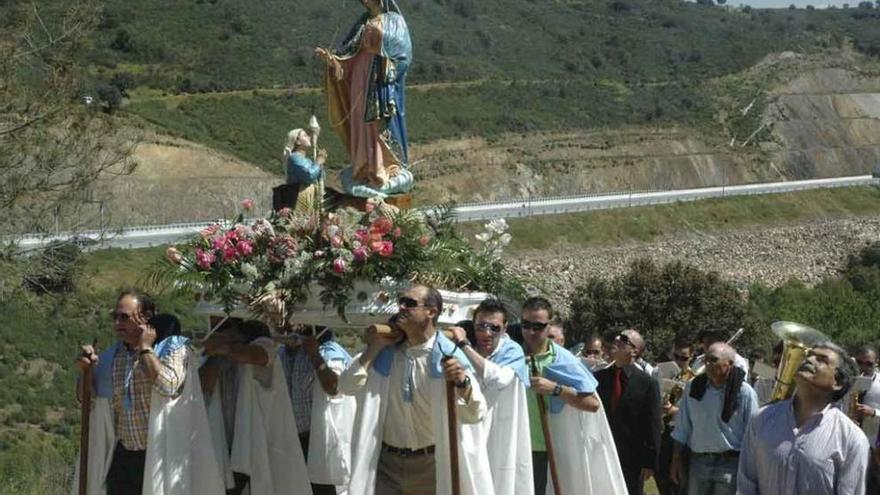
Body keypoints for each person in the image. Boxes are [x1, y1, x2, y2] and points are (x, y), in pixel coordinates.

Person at [338, 284, 493, 495]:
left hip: (430, 467)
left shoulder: (449, 356)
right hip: (386, 465)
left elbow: (475, 414)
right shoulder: (384, 353)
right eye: (400, 301)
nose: (401, 307)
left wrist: (461, 382)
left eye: (409, 303)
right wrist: (373, 348)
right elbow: (346, 386)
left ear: (432, 311)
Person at [72, 291, 223, 495]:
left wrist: (145, 348)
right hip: (124, 457)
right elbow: (86, 400)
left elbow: (168, 385)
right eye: (115, 317)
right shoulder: (113, 356)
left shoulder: (173, 348)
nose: (118, 323)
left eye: (124, 317)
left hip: (162, 455)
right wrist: (86, 373)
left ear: (146, 317)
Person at [520, 297, 628, 495]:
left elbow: (592, 404)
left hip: (552, 450)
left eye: (538, 326)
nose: (531, 331)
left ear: (549, 325)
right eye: (526, 325)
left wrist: (555, 389)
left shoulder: (563, 360)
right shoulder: (513, 355)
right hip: (516, 447)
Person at [737, 342, 870, 494]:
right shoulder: (761, 419)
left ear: (837, 382)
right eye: (808, 355)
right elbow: (746, 485)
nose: (809, 360)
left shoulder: (852, 440)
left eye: (821, 359)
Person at [200, 319, 311, 495]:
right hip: (229, 444)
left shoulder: (264, 348)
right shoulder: (223, 357)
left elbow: (254, 354)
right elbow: (204, 384)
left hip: (261, 442)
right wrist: (216, 353)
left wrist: (224, 346)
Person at [315, 0, 414, 199]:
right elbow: (348, 55)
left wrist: (388, 68)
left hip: (379, 76)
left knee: (376, 123)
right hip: (359, 75)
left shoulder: (394, 20)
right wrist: (332, 60)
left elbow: (404, 53)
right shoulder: (362, 22)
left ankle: (383, 167)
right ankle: (364, 166)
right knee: (360, 121)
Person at [448, 299, 534, 495]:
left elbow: (498, 379)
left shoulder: (512, 351)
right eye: (481, 326)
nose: (486, 334)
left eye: (494, 328)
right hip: (468, 432)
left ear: (504, 329)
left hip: (498, 438)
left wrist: (464, 345)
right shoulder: (463, 349)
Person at [670, 343, 758, 495]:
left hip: (730, 465)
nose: (707, 364)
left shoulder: (744, 393)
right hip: (699, 462)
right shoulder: (694, 388)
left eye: (713, 360)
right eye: (706, 360)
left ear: (729, 364)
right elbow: (682, 427)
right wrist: (676, 458)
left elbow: (753, 435)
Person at [280, 327, 356, 495]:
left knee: (322, 488)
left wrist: (315, 355)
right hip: (289, 437)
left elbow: (334, 388)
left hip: (317, 439)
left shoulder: (329, 351)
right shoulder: (282, 352)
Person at [594, 329, 662, 495]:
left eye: (624, 339)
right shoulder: (598, 378)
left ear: (635, 351)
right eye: (617, 337)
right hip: (601, 451)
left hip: (631, 457)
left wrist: (649, 461)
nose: (617, 340)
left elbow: (653, 423)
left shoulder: (647, 383)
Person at [653, 338, 696, 495]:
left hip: (679, 435)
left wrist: (673, 410)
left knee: (678, 482)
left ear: (691, 357)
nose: (678, 361)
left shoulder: (694, 379)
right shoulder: (659, 372)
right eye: (675, 356)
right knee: (660, 476)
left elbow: (695, 412)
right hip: (661, 432)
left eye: (683, 358)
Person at [283, 128, 326, 212]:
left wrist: (320, 164)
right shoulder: (295, 158)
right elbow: (309, 176)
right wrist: (317, 162)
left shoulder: (308, 160)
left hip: (310, 196)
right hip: (300, 195)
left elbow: (319, 177)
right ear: (298, 141)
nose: (309, 137)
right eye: (305, 136)